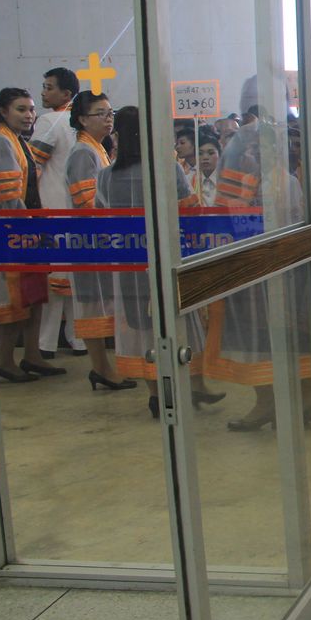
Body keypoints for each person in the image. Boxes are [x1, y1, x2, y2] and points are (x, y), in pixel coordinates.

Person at [96, 106, 208, 417]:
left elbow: (101, 219)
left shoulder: (105, 176)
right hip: (167, 261)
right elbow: (190, 210)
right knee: (178, 325)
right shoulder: (167, 169)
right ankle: (187, 389)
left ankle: (156, 395)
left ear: (118, 136)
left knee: (142, 330)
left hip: (129, 265)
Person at [0, 88, 60, 382]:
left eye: (31, 109)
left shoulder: (19, 141)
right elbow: (8, 195)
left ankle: (32, 354)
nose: (29, 115)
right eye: (21, 109)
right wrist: (26, 229)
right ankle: (5, 359)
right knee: (14, 297)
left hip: (29, 226)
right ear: (3, 111)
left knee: (33, 294)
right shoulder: (0, 142)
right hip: (11, 230)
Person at [65, 92, 134, 391]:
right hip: (89, 239)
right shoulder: (83, 152)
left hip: (100, 238)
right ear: (82, 119)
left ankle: (105, 368)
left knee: (102, 303)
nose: (108, 119)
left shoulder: (98, 149)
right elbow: (87, 201)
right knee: (93, 304)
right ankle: (100, 368)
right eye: (100, 113)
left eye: (110, 113)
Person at [30, 67, 86, 360]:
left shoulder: (50, 121)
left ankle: (46, 342)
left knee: (53, 281)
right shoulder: (80, 124)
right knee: (75, 279)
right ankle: (78, 339)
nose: (43, 92)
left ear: (66, 94)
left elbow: (31, 166)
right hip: (77, 209)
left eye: (49, 87)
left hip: (52, 208)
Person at [195, 127, 220, 206]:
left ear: (220, 155)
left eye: (211, 153)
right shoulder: (190, 180)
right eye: (200, 153)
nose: (205, 157)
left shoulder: (228, 181)